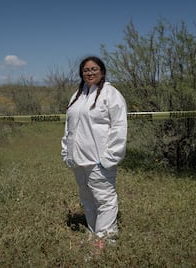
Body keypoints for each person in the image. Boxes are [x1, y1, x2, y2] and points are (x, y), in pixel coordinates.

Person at [61, 56, 127, 248]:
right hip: (78, 160)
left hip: (99, 161)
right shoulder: (77, 95)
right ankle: (94, 234)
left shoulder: (111, 94)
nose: (90, 73)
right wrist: (67, 153)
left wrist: (109, 158)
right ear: (82, 74)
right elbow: (69, 127)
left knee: (105, 200)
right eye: (86, 70)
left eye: (94, 69)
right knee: (88, 200)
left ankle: (104, 243)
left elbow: (119, 126)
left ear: (102, 72)